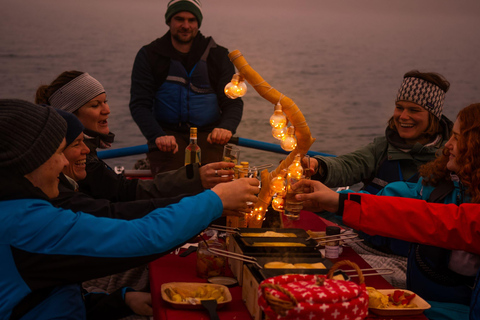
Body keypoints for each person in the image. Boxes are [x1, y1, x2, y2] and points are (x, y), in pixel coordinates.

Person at [0, 99, 259, 319]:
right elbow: (141, 238)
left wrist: (121, 301)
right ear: (29, 161)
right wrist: (215, 201)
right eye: (57, 153)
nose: (62, 162)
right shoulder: (24, 224)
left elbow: (44, 299)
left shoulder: (17, 208)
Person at [293, 103, 480, 320]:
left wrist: (339, 204)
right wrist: (334, 202)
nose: (448, 145)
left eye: (457, 138)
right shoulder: (437, 179)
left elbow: (422, 219)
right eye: (400, 107)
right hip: (422, 298)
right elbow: (394, 204)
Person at [36, 70, 233, 204]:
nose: (107, 110)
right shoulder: (79, 159)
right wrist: (195, 179)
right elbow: (122, 192)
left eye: (105, 102)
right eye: (95, 105)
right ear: (70, 115)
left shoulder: (83, 151)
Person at [129, 0, 243, 174]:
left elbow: (233, 102)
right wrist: (157, 136)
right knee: (171, 186)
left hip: (210, 135)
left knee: (212, 186)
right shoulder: (149, 55)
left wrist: (226, 127)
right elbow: (139, 104)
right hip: (167, 137)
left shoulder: (219, 55)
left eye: (192, 20)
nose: (186, 25)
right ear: (169, 21)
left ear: (198, 23)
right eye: (179, 19)